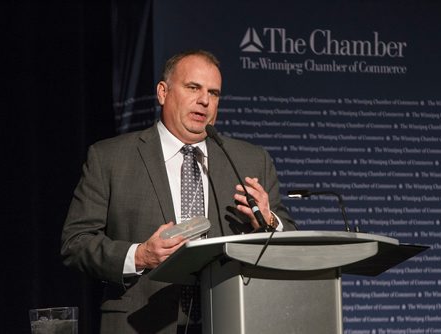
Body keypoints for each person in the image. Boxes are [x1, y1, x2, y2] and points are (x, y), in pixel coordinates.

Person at [61, 49, 297, 334]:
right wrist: (140, 255)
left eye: (214, 93)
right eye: (193, 88)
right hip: (142, 323)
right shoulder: (110, 158)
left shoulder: (250, 160)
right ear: (163, 92)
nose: (204, 101)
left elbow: (288, 238)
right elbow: (75, 243)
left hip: (231, 319)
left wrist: (269, 222)